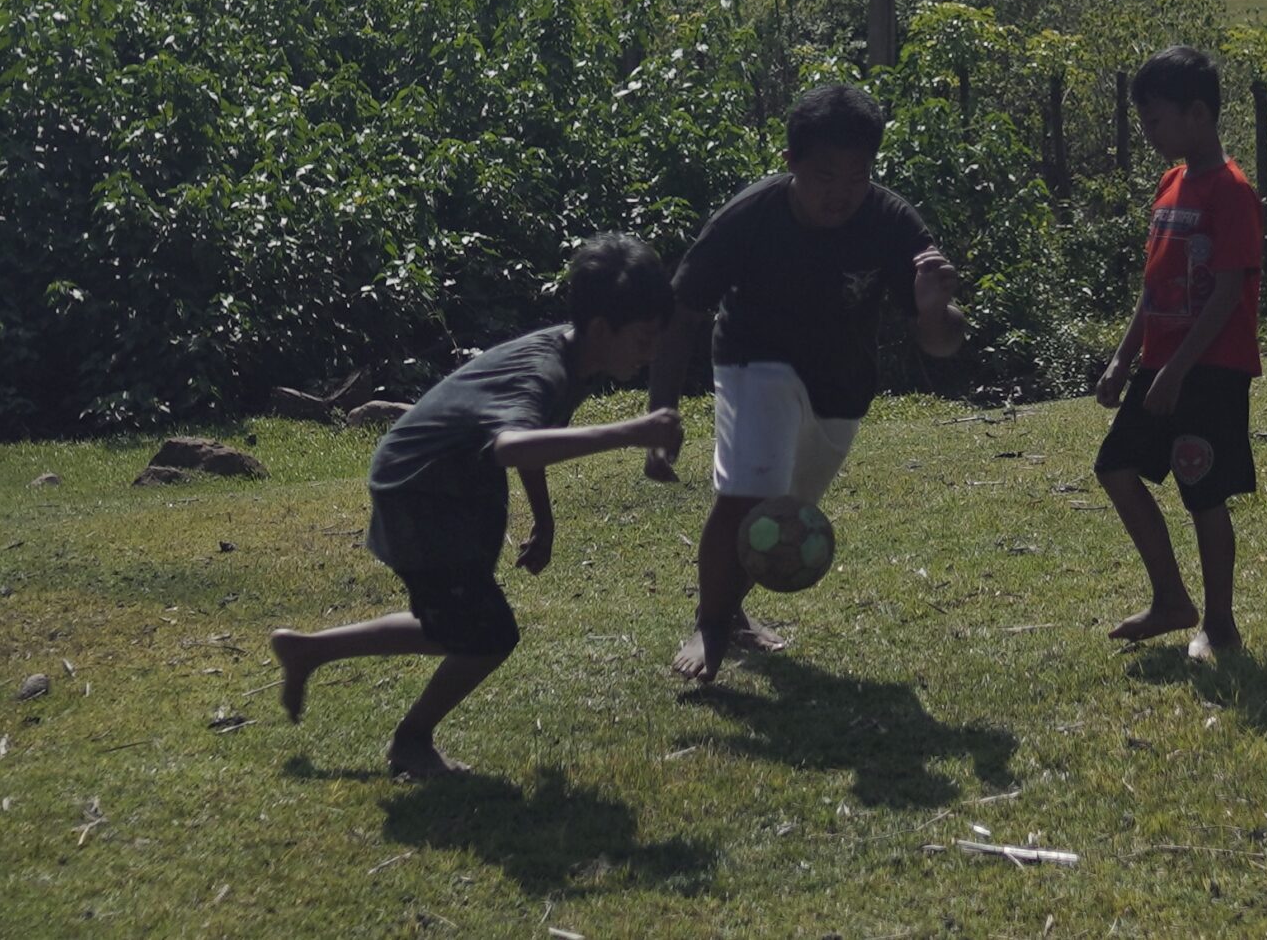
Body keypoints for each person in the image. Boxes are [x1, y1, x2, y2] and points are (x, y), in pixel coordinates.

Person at [269, 233, 680, 778]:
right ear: (603, 329)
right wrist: (631, 431)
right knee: (488, 635)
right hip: (420, 487)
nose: (652, 353)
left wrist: (545, 517)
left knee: (454, 622)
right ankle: (410, 741)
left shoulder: (574, 356)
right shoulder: (547, 370)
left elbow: (530, 432)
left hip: (448, 481)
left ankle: (309, 651)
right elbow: (512, 445)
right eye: (644, 339)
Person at [645, 83, 965, 684]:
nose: (840, 192)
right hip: (752, 359)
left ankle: (731, 610)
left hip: (840, 385)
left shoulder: (893, 222)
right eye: (824, 175)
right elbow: (681, 311)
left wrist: (931, 311)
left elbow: (942, 343)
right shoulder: (749, 217)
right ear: (790, 164)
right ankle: (710, 625)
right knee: (747, 494)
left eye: (857, 175)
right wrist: (662, 415)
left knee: (785, 512)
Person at [1092, 46, 1266, 661]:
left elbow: (1226, 295)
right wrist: (1123, 357)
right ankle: (1171, 598)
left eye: (1155, 121)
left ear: (1198, 114)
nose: (1148, 134)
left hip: (1208, 372)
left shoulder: (1231, 192)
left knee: (1203, 492)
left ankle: (1220, 625)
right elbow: (1155, 284)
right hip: (1160, 365)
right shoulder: (1172, 183)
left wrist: (1178, 368)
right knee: (1114, 466)